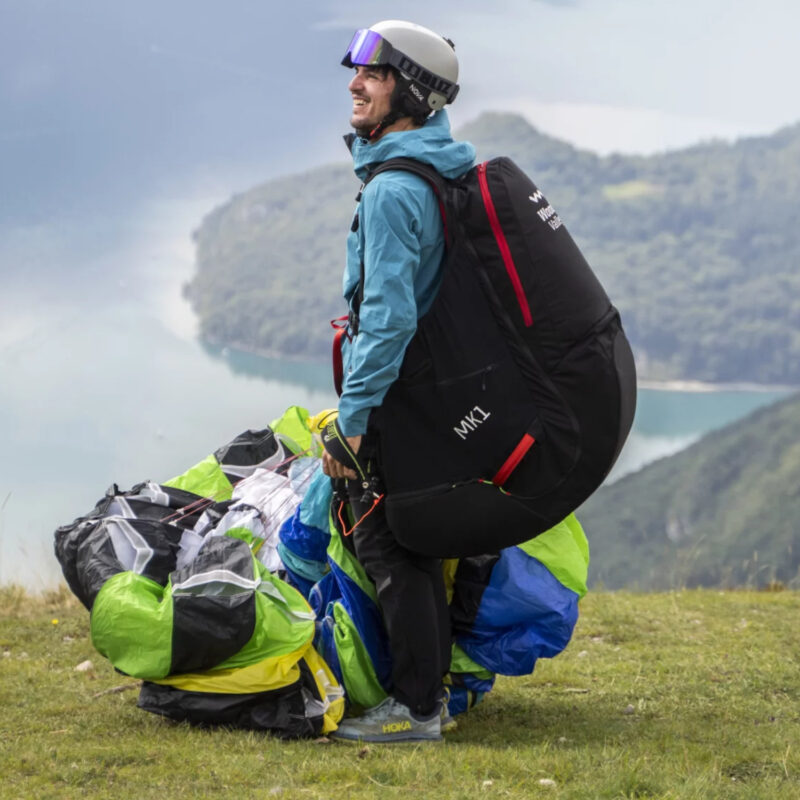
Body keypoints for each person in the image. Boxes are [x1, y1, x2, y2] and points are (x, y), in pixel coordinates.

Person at [321, 20, 475, 743]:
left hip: (397, 397)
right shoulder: (443, 166)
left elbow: (386, 321)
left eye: (374, 76)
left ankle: (417, 709)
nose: (355, 84)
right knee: (413, 541)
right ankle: (433, 692)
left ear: (408, 91)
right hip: (440, 393)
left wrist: (352, 420)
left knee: (391, 543)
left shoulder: (392, 191)